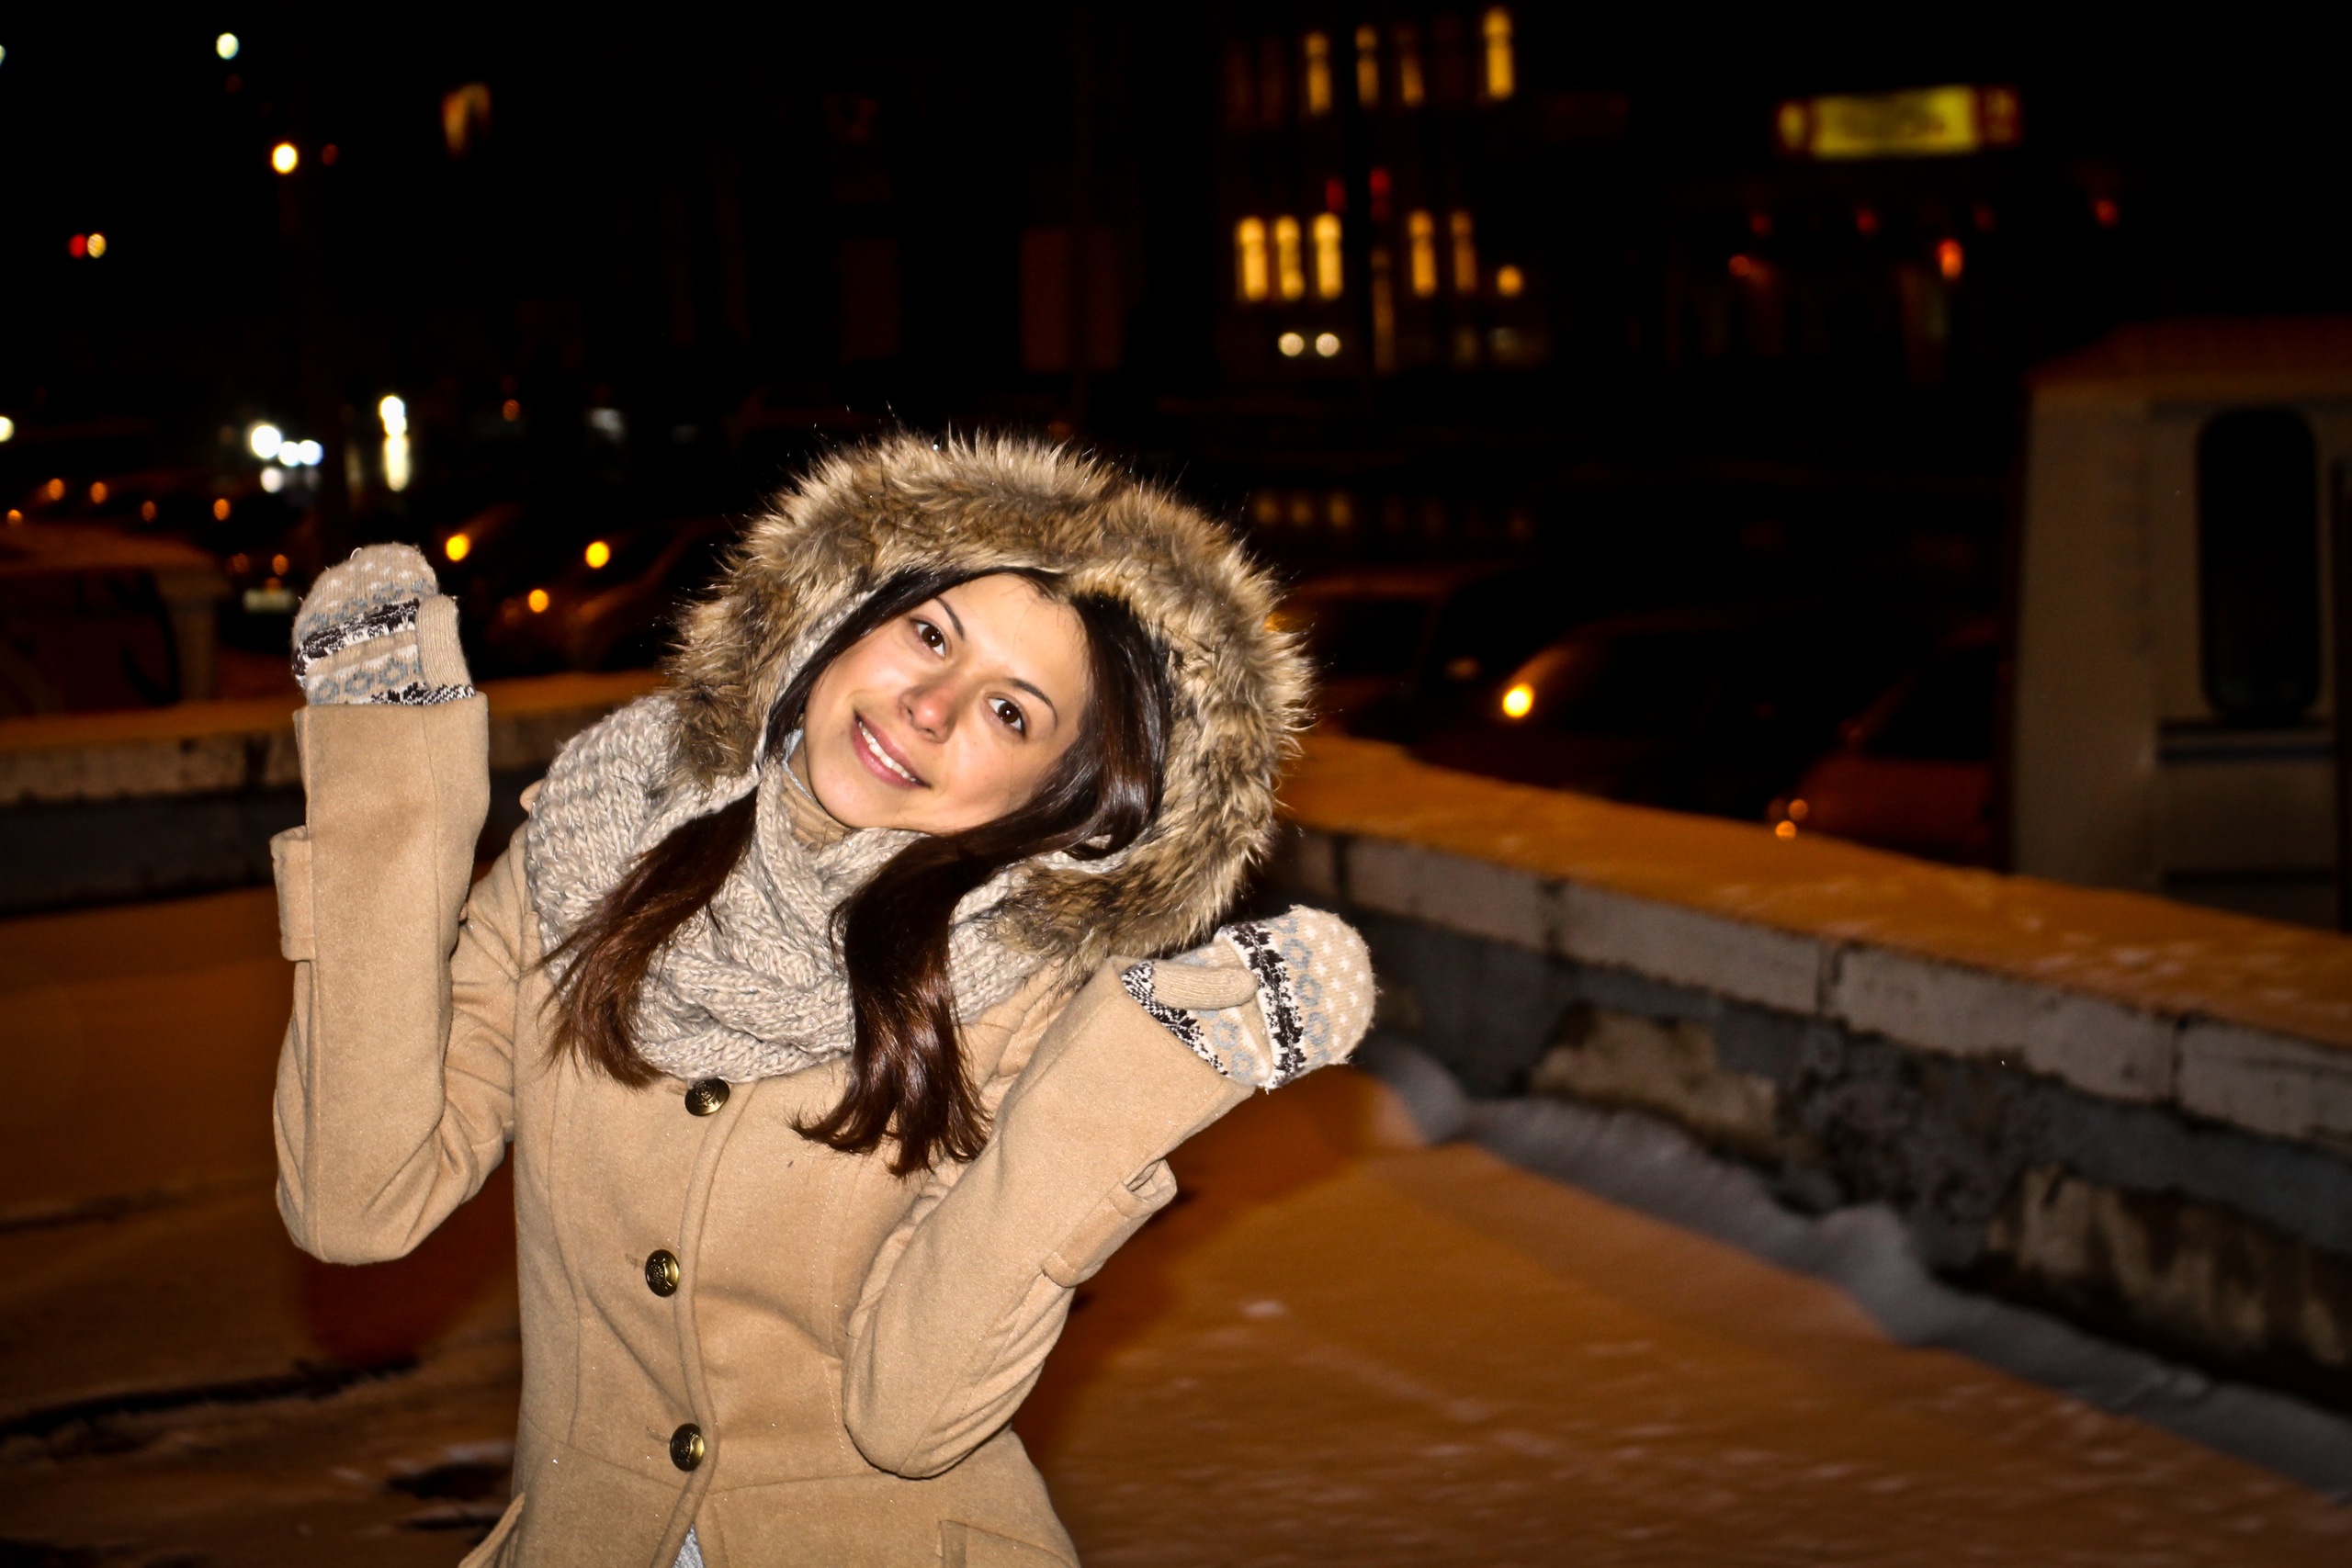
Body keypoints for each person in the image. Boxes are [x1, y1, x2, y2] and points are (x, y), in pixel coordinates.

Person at [269, 434, 1375, 1567]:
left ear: (1067, 795)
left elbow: (910, 1419)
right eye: (930, 635)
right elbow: (358, 1203)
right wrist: (388, 793)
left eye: (1011, 713)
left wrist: (1126, 1081)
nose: (932, 707)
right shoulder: (590, 851)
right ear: (843, 612)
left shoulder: (1025, 997)